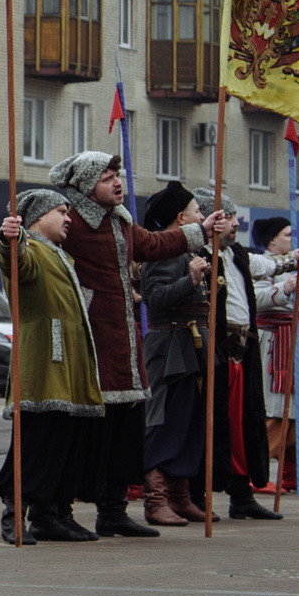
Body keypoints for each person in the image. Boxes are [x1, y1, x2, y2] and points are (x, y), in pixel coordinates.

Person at [43, 151, 225, 540]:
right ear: (87, 184)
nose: (117, 182)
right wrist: (8, 238)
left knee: (126, 431)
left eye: (118, 174)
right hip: (88, 338)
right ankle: (59, 512)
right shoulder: (69, 221)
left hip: (125, 343)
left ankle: (113, 511)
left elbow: (155, 244)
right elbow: (28, 246)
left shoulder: (121, 221)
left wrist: (201, 230)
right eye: (107, 176)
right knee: (86, 433)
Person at [0, 191, 102, 542]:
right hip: (42, 362)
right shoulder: (31, 249)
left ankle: (51, 515)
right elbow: (16, 261)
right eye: (60, 211)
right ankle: (13, 515)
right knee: (35, 442)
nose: (68, 218)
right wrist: (10, 238)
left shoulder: (62, 255)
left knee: (63, 443)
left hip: (69, 364)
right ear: (38, 216)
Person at [134, 182, 240, 527]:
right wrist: (191, 280)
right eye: (197, 212)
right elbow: (156, 298)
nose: (201, 217)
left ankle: (181, 497)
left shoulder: (185, 251)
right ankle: (156, 499)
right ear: (181, 218)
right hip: (171, 348)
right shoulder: (163, 252)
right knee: (165, 423)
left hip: (194, 347)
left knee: (190, 424)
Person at [202, 197, 285, 521]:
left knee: (242, 427)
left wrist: (293, 259)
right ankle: (198, 497)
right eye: (229, 217)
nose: (237, 224)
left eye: (236, 218)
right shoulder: (201, 254)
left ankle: (242, 493)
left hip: (242, 353)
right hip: (217, 351)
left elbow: (266, 265)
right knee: (216, 428)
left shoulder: (236, 255)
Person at [250, 218, 299, 496]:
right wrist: (286, 288)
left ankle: (291, 473)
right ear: (271, 241)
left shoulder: (297, 266)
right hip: (277, 344)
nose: (293, 240)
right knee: (275, 410)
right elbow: (254, 298)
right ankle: (258, 474)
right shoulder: (261, 264)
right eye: (287, 235)